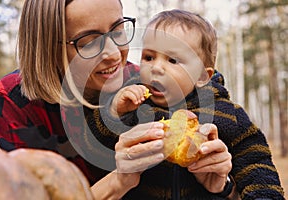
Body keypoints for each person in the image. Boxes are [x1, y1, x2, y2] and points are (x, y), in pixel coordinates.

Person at [0, 1, 224, 199]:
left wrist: (224, 185)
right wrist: (118, 180)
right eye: (89, 42)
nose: (113, 54)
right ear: (48, 47)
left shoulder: (145, 85)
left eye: (118, 30)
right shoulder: (13, 100)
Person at [104, 9, 285, 199]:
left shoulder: (226, 112)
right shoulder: (135, 107)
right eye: (149, 57)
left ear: (201, 76)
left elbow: (256, 160)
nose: (155, 68)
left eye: (172, 60)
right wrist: (114, 112)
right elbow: (98, 146)